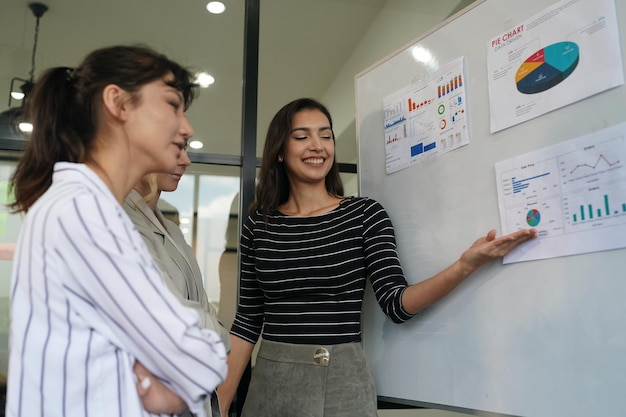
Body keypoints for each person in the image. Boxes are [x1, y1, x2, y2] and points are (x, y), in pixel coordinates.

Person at [217, 97, 537, 417]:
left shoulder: (365, 215)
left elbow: (397, 304)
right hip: (271, 385)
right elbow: (246, 322)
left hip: (343, 385)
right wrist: (217, 406)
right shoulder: (259, 225)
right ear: (280, 152)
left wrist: (466, 265)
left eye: (325, 136)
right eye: (302, 136)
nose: (317, 145)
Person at [6, 45, 227, 417]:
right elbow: (197, 356)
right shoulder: (83, 211)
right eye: (173, 105)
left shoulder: (89, 206)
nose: (185, 128)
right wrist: (179, 382)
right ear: (118, 103)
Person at [123, 148, 232, 417]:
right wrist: (211, 335)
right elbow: (176, 317)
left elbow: (203, 312)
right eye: (174, 149)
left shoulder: (171, 231)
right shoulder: (119, 220)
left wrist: (208, 332)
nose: (186, 160)